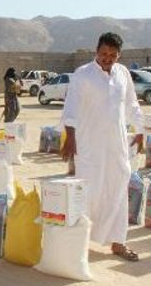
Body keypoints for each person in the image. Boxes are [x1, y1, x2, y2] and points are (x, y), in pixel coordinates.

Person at [61, 32, 143, 262]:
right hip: (89, 145)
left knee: (119, 186)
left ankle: (118, 242)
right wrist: (70, 137)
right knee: (89, 191)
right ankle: (79, 241)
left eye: (113, 55)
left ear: (119, 55)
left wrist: (140, 130)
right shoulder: (83, 75)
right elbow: (71, 107)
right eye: (104, 53)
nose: (107, 58)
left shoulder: (122, 73)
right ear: (96, 51)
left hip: (117, 144)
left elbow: (131, 103)